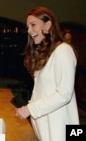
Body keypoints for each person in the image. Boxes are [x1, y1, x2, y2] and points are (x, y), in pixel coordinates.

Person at [16, 7, 79, 141]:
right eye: (27, 27)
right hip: (47, 129)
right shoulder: (47, 54)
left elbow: (64, 94)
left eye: (33, 25)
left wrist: (30, 109)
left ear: (48, 25)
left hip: (59, 129)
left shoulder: (63, 50)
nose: (29, 31)